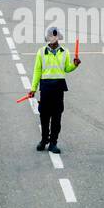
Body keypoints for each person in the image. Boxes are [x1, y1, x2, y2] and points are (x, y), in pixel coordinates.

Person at [28, 25, 80, 154]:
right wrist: (33, 88)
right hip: (45, 87)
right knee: (44, 115)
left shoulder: (65, 51)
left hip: (58, 87)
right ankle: (44, 140)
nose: (53, 39)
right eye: (51, 36)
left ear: (58, 38)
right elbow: (37, 71)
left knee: (57, 116)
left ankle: (53, 143)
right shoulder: (41, 52)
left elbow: (66, 69)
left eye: (55, 37)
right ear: (48, 38)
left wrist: (74, 64)